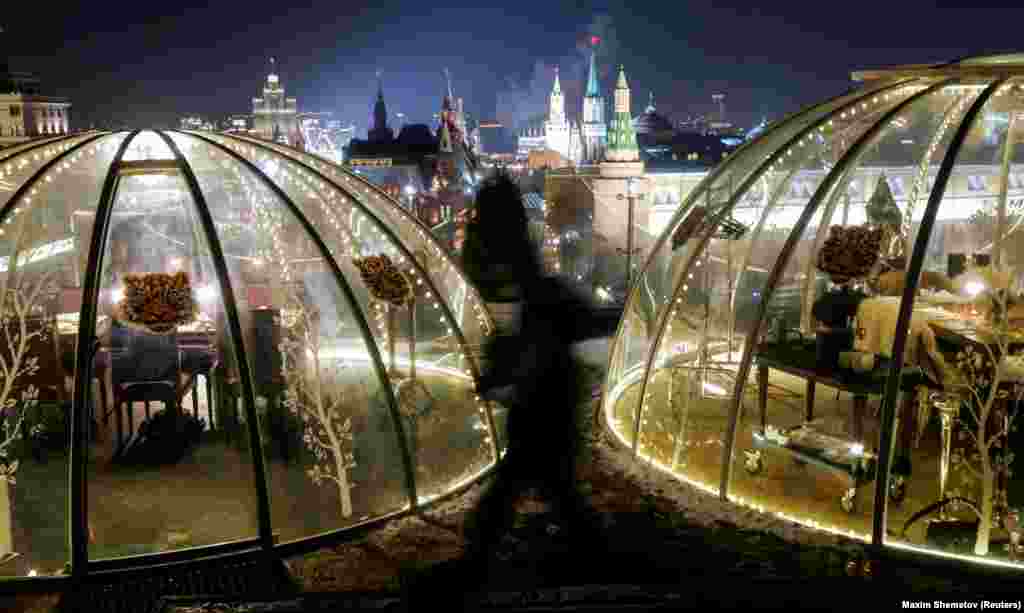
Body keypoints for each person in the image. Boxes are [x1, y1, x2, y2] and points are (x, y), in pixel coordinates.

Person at [457, 172, 618, 584]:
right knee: (550, 487)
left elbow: (539, 311)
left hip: (544, 398)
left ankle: (478, 560)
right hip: (547, 395)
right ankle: (597, 556)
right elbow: (541, 310)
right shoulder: (517, 257)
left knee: (534, 486)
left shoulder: (507, 254)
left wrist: (503, 367)